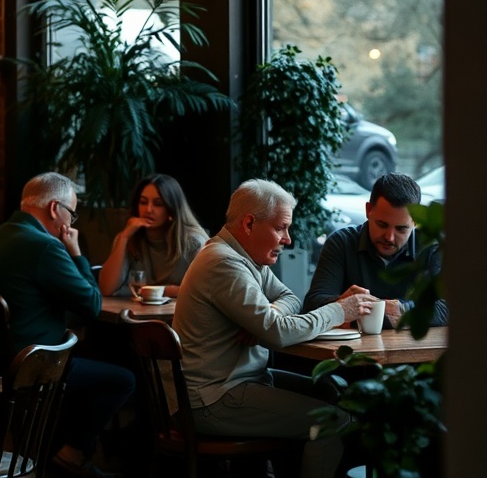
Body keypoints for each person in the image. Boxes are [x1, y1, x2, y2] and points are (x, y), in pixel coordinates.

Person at [173, 179, 376, 478]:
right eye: (281, 228)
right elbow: (278, 333)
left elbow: (289, 297)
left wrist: (268, 315)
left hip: (238, 383)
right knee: (331, 422)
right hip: (214, 398)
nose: (288, 239)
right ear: (249, 223)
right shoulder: (224, 264)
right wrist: (340, 310)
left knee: (330, 392)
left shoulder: (246, 258)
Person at [0, 172, 134, 478]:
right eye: (72, 213)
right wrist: (76, 251)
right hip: (35, 365)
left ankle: (50, 451)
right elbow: (92, 304)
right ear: (54, 208)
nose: (71, 222)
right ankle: (70, 455)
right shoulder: (44, 246)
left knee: (87, 358)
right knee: (123, 379)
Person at [304, 172, 447, 328]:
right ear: (368, 210)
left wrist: (403, 309)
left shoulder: (431, 247)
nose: (389, 237)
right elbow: (312, 305)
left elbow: (451, 307)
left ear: (415, 222)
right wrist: (343, 305)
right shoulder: (341, 243)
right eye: (382, 225)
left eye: (401, 229)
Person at [97, 173, 208, 298]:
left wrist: (160, 291)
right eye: (143, 202)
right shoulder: (129, 238)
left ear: (172, 209)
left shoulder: (193, 241)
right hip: (134, 309)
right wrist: (123, 238)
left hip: (179, 310)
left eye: (158, 204)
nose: (148, 210)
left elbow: (206, 290)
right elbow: (106, 289)